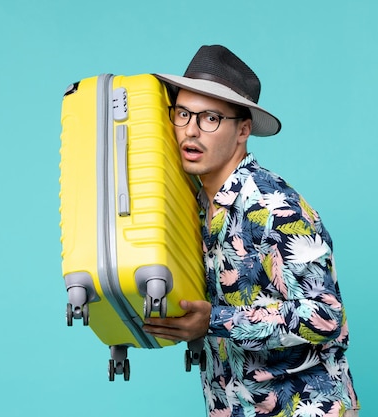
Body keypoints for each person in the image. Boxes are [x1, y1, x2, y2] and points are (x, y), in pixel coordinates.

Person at [144, 45, 360, 417]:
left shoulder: (275, 207)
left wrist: (213, 320)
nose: (191, 130)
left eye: (210, 118)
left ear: (243, 130)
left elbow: (325, 315)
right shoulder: (192, 205)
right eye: (182, 113)